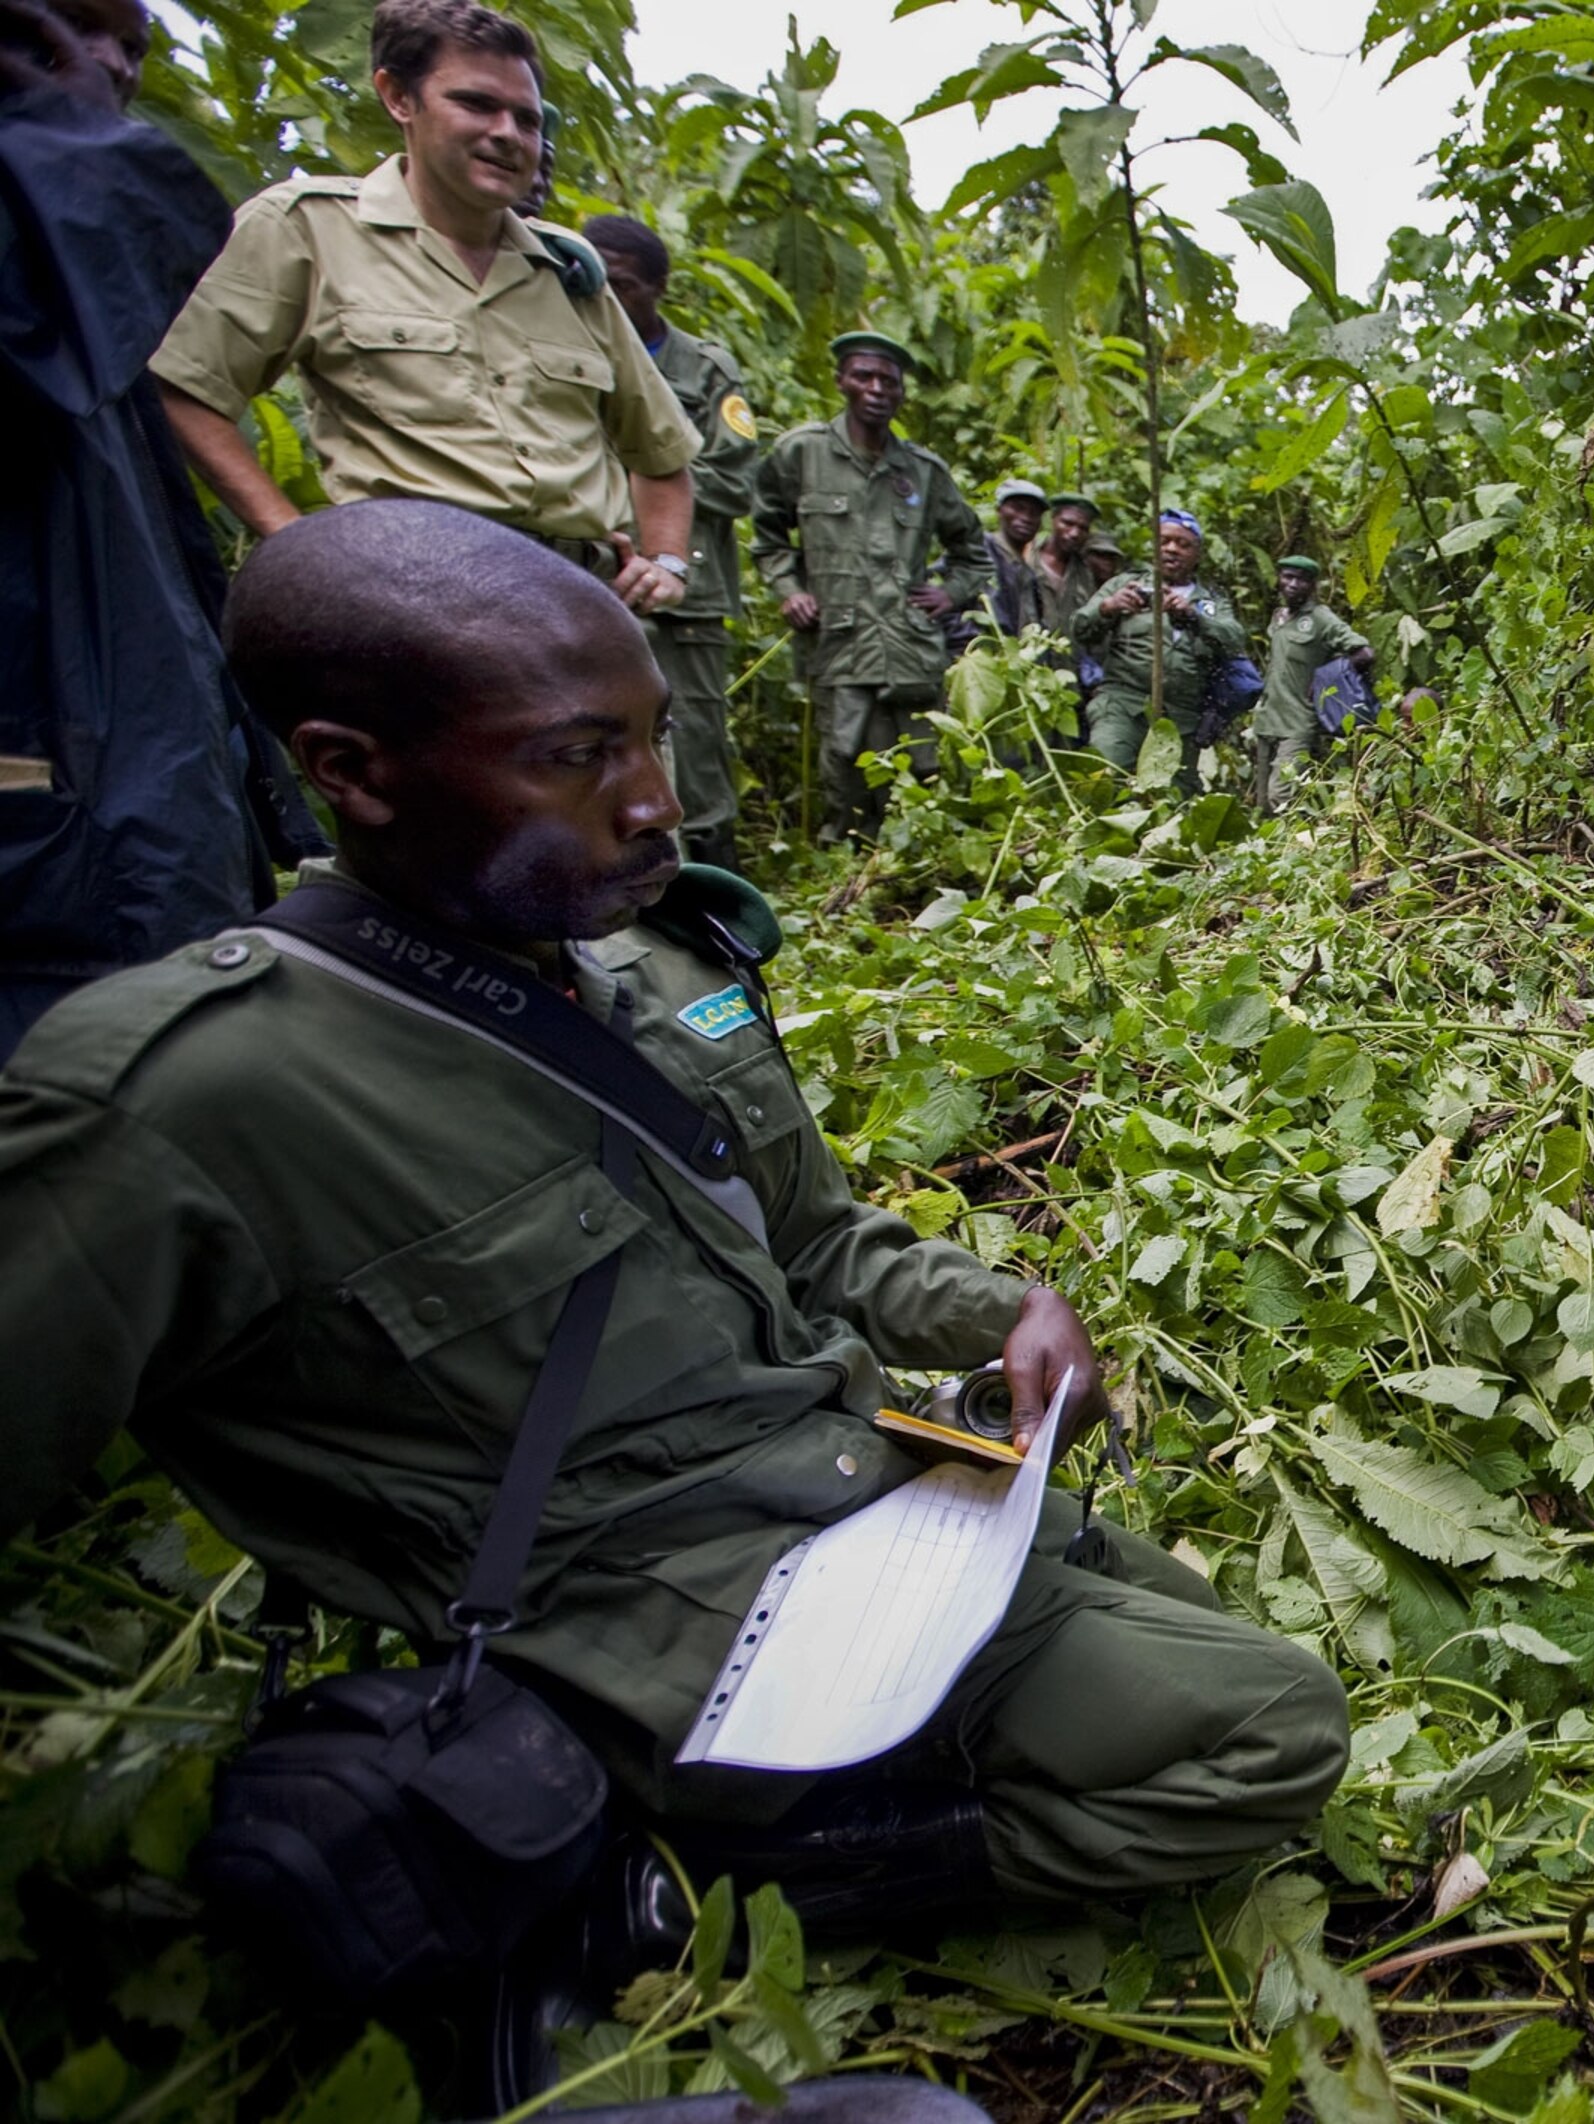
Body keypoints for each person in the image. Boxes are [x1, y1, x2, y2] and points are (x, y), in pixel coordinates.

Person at [0, 499, 1351, 2084]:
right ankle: (647, 1899)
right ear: (350, 769)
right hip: (629, 1627)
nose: (658, 803)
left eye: (649, 738)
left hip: (842, 1489)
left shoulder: (645, 974)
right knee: (1272, 1727)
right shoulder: (183, 1098)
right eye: (578, 758)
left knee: (1179, 1620)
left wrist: (999, 1311)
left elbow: (820, 1247)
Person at [147, 0, 698, 616]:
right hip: (405, 597)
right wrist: (291, 537)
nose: (507, 134)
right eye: (475, 104)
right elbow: (186, 387)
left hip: (574, 607)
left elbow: (662, 454)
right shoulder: (309, 227)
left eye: (527, 118)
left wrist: (668, 563)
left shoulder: (568, 269)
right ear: (398, 98)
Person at [0, 0, 319, 1059]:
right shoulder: (46, 238)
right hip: (47, 868)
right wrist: (55, 133)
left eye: (131, 45)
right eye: (56, 30)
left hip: (117, 822)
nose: (106, 71)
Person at [752, 330, 990, 841]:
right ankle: (841, 862)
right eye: (864, 376)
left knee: (920, 759)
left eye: (890, 380)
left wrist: (950, 594)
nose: (878, 388)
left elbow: (974, 549)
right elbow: (767, 535)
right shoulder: (802, 453)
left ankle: (910, 856)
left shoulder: (924, 473)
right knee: (842, 757)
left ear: (902, 393)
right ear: (842, 381)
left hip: (908, 643)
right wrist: (789, 589)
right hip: (839, 638)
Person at [585, 213, 758, 872]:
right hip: (586, 580)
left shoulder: (705, 369)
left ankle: (715, 892)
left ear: (657, 288)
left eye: (622, 284)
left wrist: (637, 488)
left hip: (686, 596)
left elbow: (735, 480)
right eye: (595, 277)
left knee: (699, 751)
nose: (604, 295)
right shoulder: (567, 350)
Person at [1068, 508, 1247, 777]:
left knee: (1175, 797)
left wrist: (1193, 617)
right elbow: (1079, 629)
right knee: (1106, 775)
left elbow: (1234, 640)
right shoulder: (1126, 584)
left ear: (1197, 554)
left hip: (1182, 717)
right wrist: (1108, 607)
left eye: (1183, 544)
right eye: (1164, 541)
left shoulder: (1210, 600)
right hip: (1122, 705)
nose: (1172, 549)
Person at [1253, 555, 1376, 815]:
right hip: (1267, 718)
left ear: (1312, 585)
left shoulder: (1321, 618)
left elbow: (1364, 653)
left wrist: (1326, 678)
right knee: (1262, 802)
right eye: (1288, 577)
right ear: (1279, 579)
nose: (1294, 584)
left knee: (1282, 796)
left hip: (1298, 721)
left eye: (1302, 579)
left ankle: (1298, 846)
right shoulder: (1279, 617)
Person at [984, 477, 1044, 634]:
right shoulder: (979, 551)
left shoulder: (1026, 570)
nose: (1026, 518)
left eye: (1034, 513)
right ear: (999, 510)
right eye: (1018, 508)